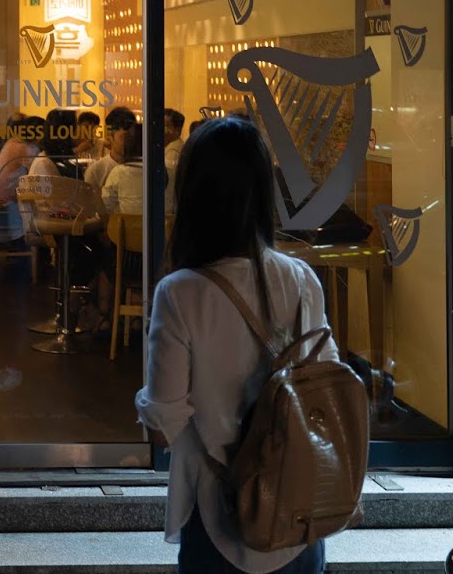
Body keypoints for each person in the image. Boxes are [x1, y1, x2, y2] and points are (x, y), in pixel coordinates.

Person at [135, 116, 337, 574]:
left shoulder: (180, 293)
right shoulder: (302, 280)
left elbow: (163, 427)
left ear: (191, 195)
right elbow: (325, 390)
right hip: (300, 517)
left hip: (219, 520)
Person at [85, 107, 138, 190]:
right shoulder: (96, 170)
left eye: (132, 137)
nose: (130, 142)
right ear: (110, 136)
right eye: (125, 137)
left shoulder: (141, 168)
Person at [100, 126, 145, 217]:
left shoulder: (118, 173)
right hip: (163, 226)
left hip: (128, 226)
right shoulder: (167, 172)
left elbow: (105, 206)